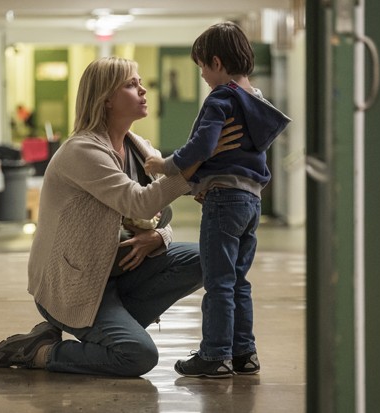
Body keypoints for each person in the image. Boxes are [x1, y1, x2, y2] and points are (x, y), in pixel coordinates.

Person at [0, 57, 241, 377]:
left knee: (209, 257)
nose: (143, 90)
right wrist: (201, 159)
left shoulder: (139, 148)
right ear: (106, 98)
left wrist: (160, 236)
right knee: (137, 356)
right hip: (75, 284)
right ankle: (39, 352)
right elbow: (141, 203)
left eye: (139, 82)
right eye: (131, 84)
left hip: (114, 273)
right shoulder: (83, 152)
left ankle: (115, 326)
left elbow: (162, 212)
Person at [144, 21, 291, 378]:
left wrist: (166, 164)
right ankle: (244, 353)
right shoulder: (256, 102)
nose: (203, 77)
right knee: (238, 279)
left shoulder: (222, 98)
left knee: (219, 281)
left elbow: (203, 146)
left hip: (224, 200)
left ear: (216, 62)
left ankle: (215, 354)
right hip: (251, 201)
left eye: (202, 69)